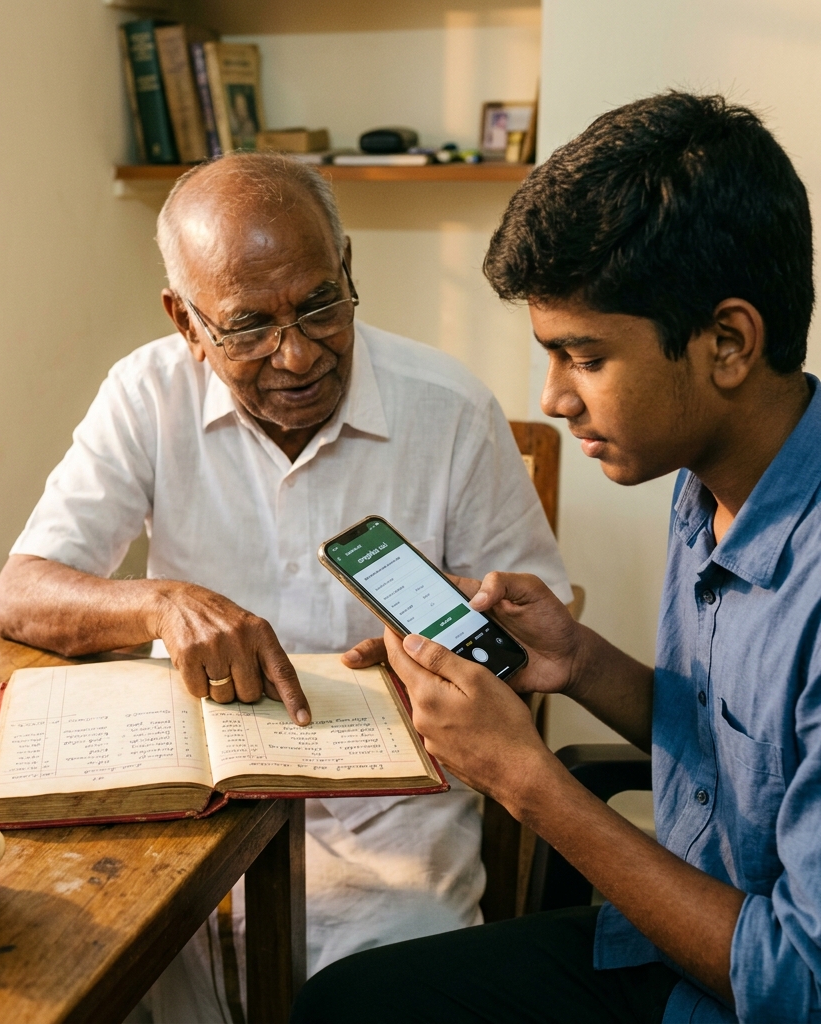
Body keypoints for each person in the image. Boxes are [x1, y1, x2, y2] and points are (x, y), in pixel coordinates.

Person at [0, 152, 571, 1023]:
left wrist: (465, 623)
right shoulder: (145, 393)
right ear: (185, 322)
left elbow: (540, 639)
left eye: (319, 306)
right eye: (248, 326)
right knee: (104, 957)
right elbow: (20, 593)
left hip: (393, 807)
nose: (296, 355)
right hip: (201, 802)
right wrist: (160, 602)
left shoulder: (449, 408)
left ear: (349, 270)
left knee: (396, 981)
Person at [293, 92, 821, 1024]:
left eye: (584, 356)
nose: (554, 399)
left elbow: (798, 982)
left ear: (728, 343)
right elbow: (737, 747)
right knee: (346, 1004)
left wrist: (525, 781)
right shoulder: (710, 478)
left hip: (741, 987)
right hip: (677, 936)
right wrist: (578, 663)